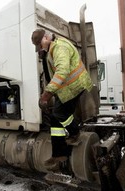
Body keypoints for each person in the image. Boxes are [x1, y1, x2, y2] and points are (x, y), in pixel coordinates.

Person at [31, 29, 93, 170]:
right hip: (66, 89)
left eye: (40, 45)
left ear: (46, 37)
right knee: (55, 118)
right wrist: (44, 54)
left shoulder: (60, 48)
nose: (40, 49)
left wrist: (47, 94)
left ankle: (74, 133)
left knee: (60, 115)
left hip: (75, 85)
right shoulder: (51, 49)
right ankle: (59, 155)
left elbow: (62, 71)